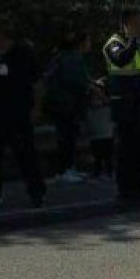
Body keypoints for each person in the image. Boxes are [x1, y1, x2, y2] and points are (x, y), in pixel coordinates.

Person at [0, 21, 46, 209]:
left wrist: (36, 109)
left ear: (1, 34)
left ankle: (37, 192)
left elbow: (37, 84)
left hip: (17, 112)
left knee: (25, 154)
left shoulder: (23, 54)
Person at [104, 8, 140, 202]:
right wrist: (134, 41)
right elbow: (120, 59)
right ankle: (125, 186)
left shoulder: (137, 42)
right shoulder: (114, 43)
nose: (139, 25)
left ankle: (139, 182)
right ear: (126, 23)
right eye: (135, 22)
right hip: (123, 101)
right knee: (126, 146)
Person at [43, 30, 92, 184]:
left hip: (59, 103)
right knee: (68, 137)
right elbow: (75, 82)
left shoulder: (60, 57)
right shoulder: (74, 59)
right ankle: (66, 169)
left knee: (65, 136)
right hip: (67, 103)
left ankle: (66, 168)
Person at [86, 79, 115, 179]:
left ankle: (109, 171)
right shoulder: (89, 108)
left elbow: (106, 100)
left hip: (107, 134)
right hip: (95, 135)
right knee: (97, 156)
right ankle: (98, 171)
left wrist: (97, 90)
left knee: (108, 156)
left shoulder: (107, 105)